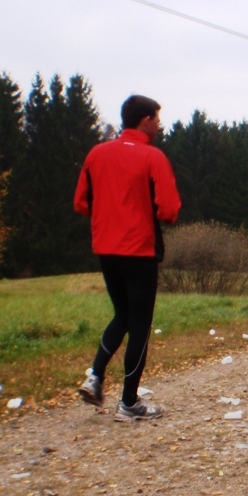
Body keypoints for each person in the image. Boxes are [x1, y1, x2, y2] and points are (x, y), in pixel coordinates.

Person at [73, 95, 181, 421]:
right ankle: (129, 403)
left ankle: (94, 377)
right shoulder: (152, 157)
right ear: (145, 120)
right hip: (139, 250)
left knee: (122, 315)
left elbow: (81, 203)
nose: (159, 125)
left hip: (106, 249)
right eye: (157, 119)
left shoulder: (97, 154)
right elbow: (169, 210)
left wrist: (109, 214)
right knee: (139, 326)